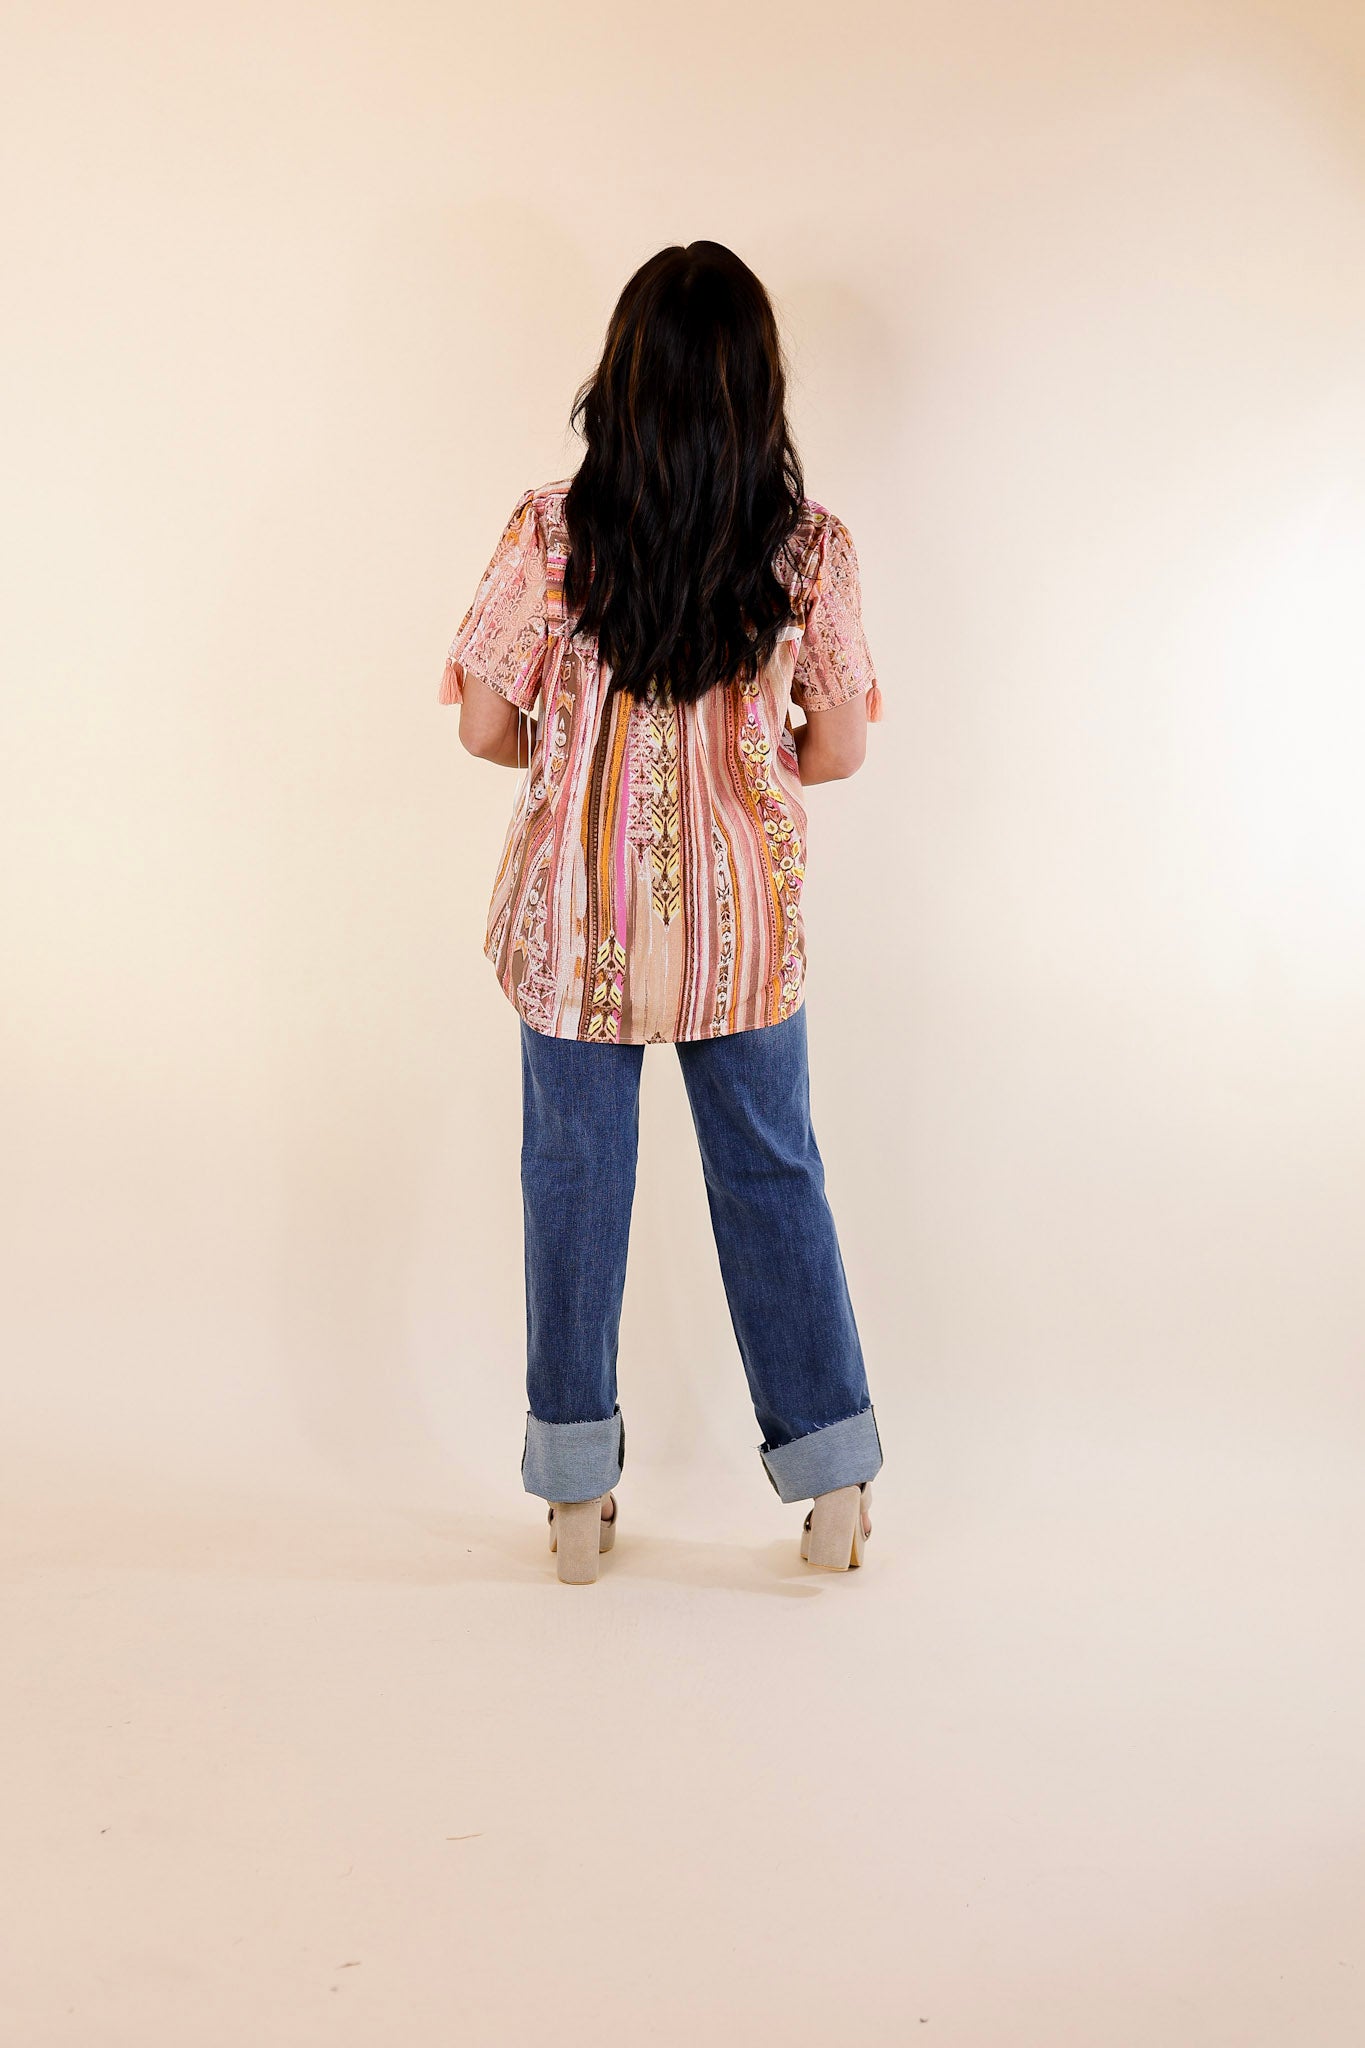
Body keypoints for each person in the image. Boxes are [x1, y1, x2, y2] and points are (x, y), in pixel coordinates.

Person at [440, 241, 884, 1582]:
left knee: (572, 1183)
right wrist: (746, 757)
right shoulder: (808, 550)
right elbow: (842, 751)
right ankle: (834, 1492)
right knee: (770, 1175)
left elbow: (477, 726)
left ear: (618, 380)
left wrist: (578, 751)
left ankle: (575, 1501)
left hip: (575, 928)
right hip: (742, 936)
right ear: (759, 390)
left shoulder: (548, 532)